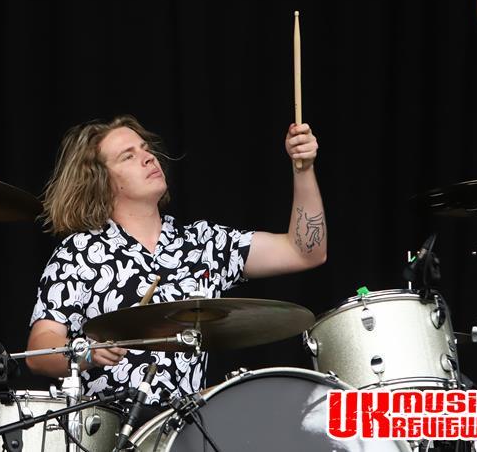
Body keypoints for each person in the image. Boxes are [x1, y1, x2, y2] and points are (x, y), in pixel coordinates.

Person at [26, 115, 326, 407]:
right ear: (100, 181)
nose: (148, 158)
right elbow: (39, 349)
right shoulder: (80, 252)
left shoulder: (202, 243)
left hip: (185, 425)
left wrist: (303, 169)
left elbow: (305, 251)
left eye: (146, 149)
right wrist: (86, 354)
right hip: (112, 425)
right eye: (128, 156)